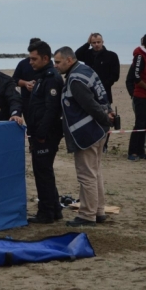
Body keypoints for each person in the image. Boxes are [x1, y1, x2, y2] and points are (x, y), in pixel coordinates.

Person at [54, 46, 115, 227]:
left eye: (58, 62)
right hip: (98, 131)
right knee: (95, 173)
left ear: (69, 60)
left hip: (87, 134)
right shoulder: (86, 70)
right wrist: (107, 116)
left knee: (86, 175)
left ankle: (87, 215)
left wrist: (104, 118)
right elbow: (102, 97)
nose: (55, 66)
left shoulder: (75, 80)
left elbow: (90, 105)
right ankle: (99, 211)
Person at [23, 42, 64, 224]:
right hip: (39, 132)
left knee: (42, 173)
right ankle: (54, 209)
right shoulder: (42, 77)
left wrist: (40, 133)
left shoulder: (52, 78)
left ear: (45, 58)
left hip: (46, 134)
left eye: (34, 59)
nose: (30, 62)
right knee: (44, 171)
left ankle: (46, 213)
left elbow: (51, 109)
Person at [75, 33, 120, 152]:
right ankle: (92, 142)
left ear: (102, 42)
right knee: (89, 118)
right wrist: (87, 43)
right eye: (94, 43)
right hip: (88, 93)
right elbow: (76, 55)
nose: (96, 45)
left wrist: (102, 86)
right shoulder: (88, 54)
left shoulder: (111, 56)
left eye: (98, 42)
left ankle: (104, 144)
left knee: (106, 118)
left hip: (104, 92)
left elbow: (115, 75)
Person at [12, 37, 42, 123]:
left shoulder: (48, 65)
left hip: (42, 101)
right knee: (30, 126)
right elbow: (14, 80)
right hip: (27, 100)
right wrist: (25, 83)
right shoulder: (23, 64)